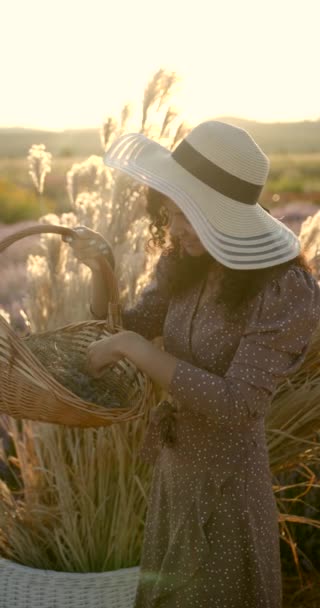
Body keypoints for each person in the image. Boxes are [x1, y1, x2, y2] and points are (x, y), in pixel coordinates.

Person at [65, 121, 320, 608]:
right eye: (172, 210)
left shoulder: (281, 290)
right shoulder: (185, 262)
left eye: (191, 213)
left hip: (227, 492)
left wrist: (137, 351)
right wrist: (102, 267)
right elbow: (126, 325)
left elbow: (240, 405)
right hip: (175, 475)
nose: (177, 226)